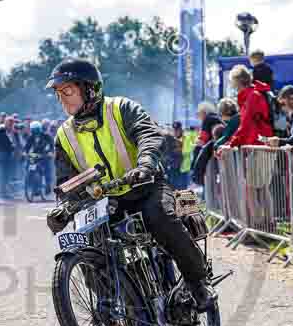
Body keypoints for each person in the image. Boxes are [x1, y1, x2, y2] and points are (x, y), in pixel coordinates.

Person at [44, 58, 215, 309]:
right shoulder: (64, 135)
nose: (63, 98)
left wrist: (145, 164)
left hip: (145, 186)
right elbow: (66, 181)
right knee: (88, 241)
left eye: (67, 90)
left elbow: (148, 133)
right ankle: (114, 306)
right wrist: (65, 207)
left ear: (89, 89)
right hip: (106, 202)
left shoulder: (120, 108)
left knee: (160, 217)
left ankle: (197, 282)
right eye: (58, 93)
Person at [24, 120, 55, 194]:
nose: (35, 132)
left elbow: (52, 145)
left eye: (36, 130)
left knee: (47, 169)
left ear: (39, 129)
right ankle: (33, 186)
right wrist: (24, 153)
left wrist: (51, 152)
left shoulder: (46, 135)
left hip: (45, 154)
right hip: (35, 155)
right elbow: (27, 147)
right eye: (33, 130)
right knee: (29, 166)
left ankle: (48, 185)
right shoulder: (31, 137)